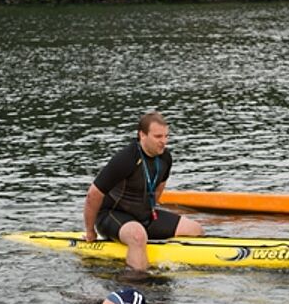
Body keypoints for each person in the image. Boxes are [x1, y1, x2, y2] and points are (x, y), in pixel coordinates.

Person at [83, 112, 204, 272]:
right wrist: (90, 231)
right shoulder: (126, 159)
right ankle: (139, 285)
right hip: (112, 215)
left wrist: (151, 210)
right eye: (158, 136)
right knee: (138, 236)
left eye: (166, 136)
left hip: (144, 216)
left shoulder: (165, 158)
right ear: (142, 135)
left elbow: (159, 189)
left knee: (195, 229)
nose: (164, 141)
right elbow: (93, 194)